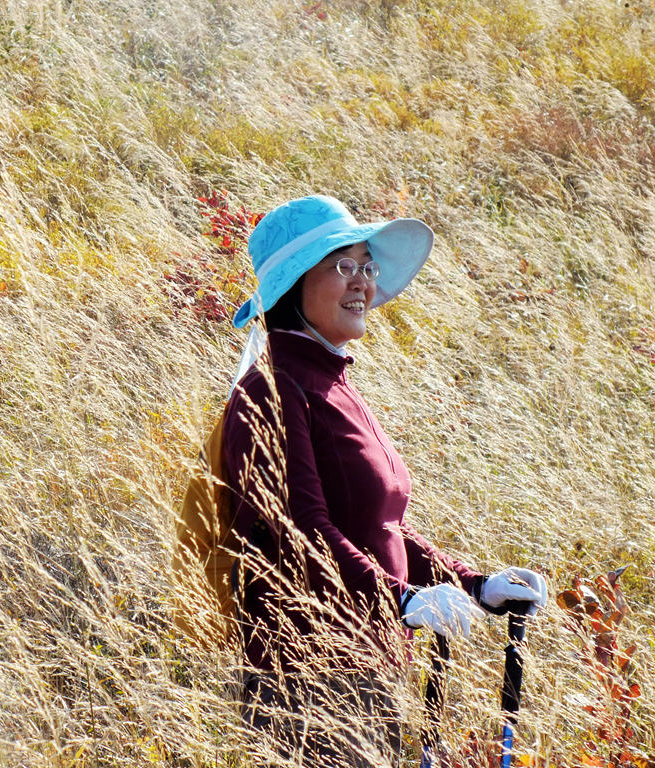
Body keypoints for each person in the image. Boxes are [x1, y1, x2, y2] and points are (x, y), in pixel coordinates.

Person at [222, 195, 547, 767]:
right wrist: (401, 598)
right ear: (295, 284)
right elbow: (298, 532)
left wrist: (474, 585)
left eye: (367, 267)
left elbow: (380, 528)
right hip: (306, 679)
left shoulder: (331, 382)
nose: (363, 284)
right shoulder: (272, 389)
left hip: (367, 669)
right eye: (343, 265)